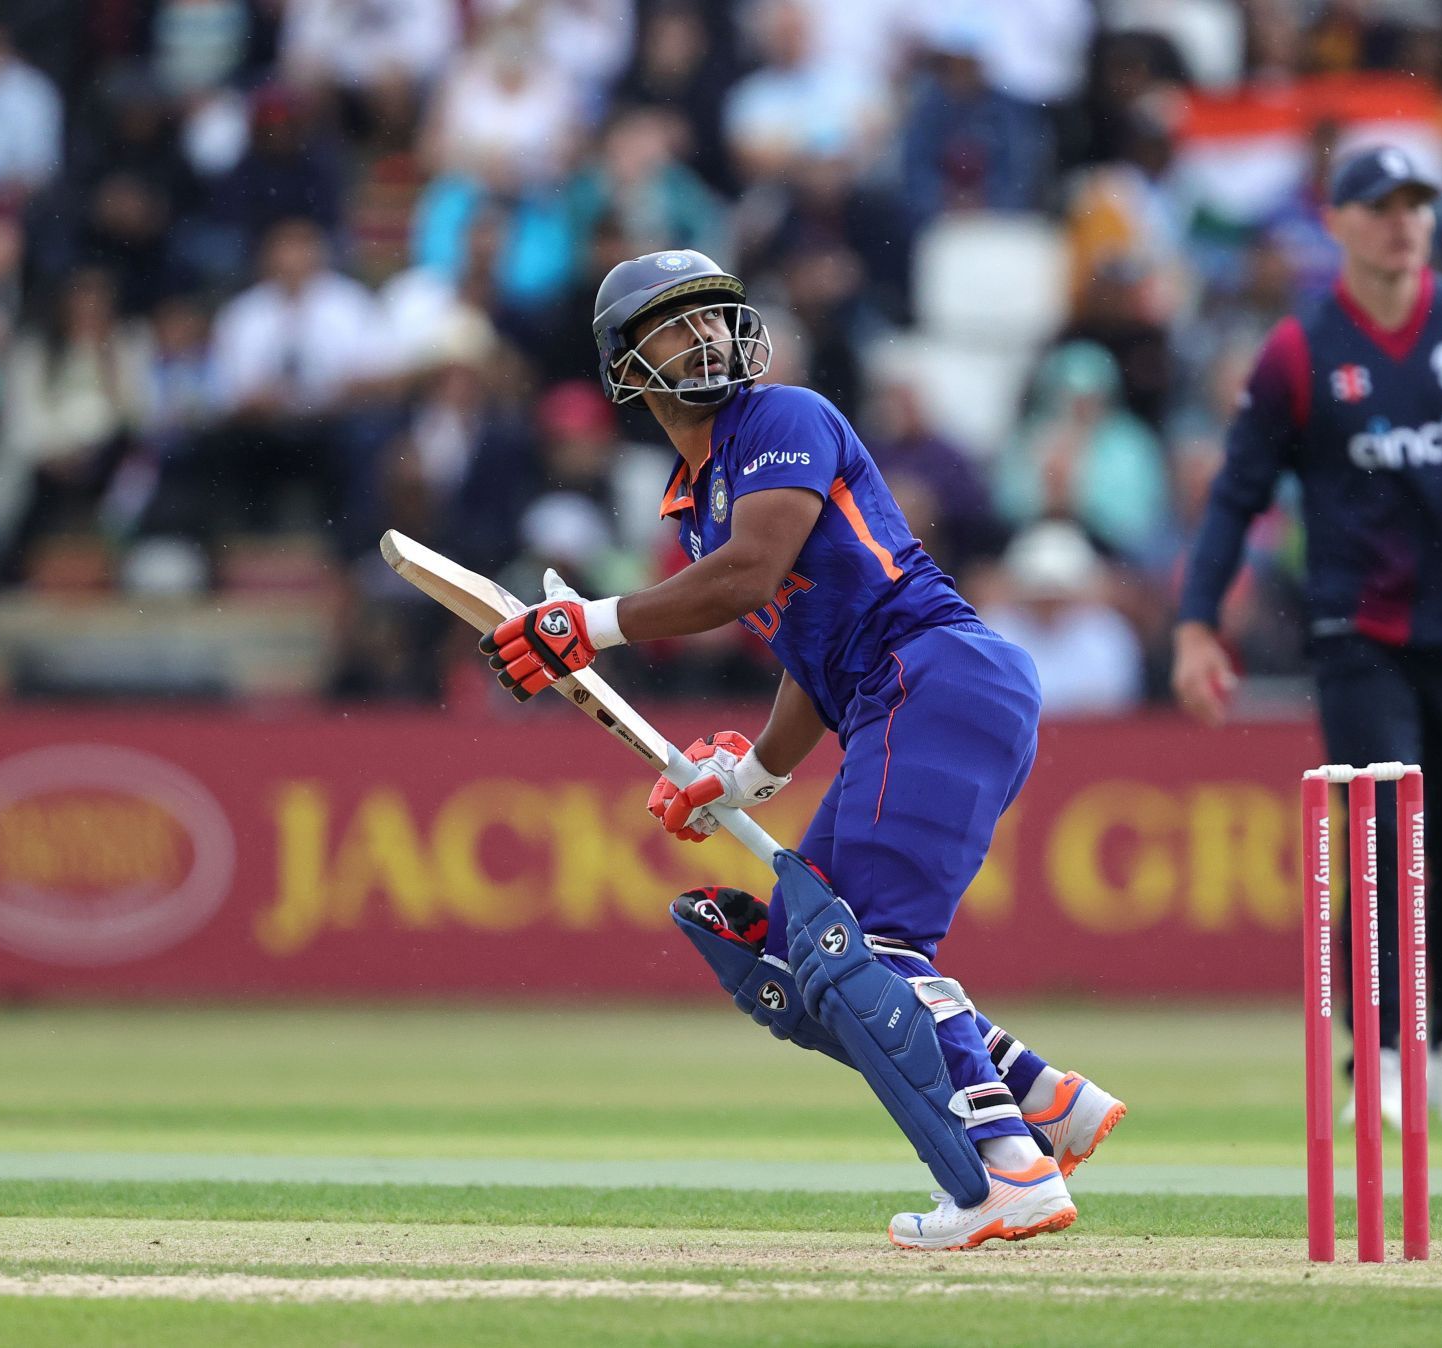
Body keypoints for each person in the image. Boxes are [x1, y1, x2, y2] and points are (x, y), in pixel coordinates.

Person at [473, 249, 1123, 1249]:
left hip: (932, 674)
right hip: (899, 689)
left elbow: (749, 576)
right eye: (673, 325)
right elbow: (807, 656)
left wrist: (586, 624)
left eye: (713, 316)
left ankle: (1008, 1173)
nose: (705, 338)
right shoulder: (695, 506)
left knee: (871, 949)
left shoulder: (781, 418)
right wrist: (746, 775)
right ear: (624, 366)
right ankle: (1045, 1098)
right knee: (796, 959)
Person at [1172, 147, 1442, 1130]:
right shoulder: (1301, 350)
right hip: (1359, 630)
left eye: (1417, 206)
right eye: (1381, 206)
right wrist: (1195, 624)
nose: (1404, 223)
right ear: (1339, 222)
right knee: (1383, 837)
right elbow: (1236, 495)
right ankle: (1384, 1059)